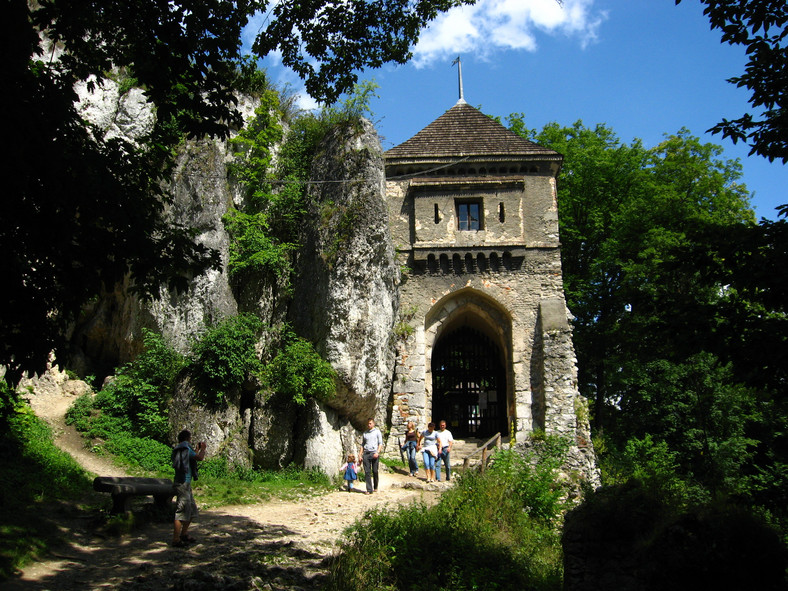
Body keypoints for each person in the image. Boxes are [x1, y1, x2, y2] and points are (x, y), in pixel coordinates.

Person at [171, 429, 206, 547]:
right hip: (183, 484)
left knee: (191, 510)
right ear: (187, 438)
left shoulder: (180, 449)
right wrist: (203, 449)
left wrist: (196, 449)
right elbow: (199, 458)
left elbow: (191, 457)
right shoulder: (186, 448)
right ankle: (176, 540)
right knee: (181, 511)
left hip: (182, 483)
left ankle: (184, 534)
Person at [359, 418, 383, 494]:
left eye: (370, 423)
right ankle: (369, 489)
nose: (369, 425)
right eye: (368, 424)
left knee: (375, 471)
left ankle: (375, 486)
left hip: (374, 453)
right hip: (366, 453)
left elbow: (380, 443)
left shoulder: (377, 432)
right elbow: (362, 444)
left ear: (373, 424)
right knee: (367, 472)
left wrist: (377, 452)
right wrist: (360, 455)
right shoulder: (365, 433)